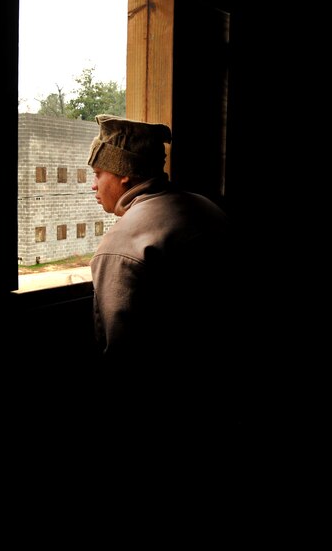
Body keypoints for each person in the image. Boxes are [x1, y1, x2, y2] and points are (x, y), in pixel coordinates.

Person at [86, 114, 240, 430]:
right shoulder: (207, 207)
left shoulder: (122, 245)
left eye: (99, 173)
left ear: (123, 175)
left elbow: (120, 359)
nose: (94, 184)